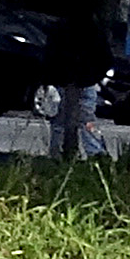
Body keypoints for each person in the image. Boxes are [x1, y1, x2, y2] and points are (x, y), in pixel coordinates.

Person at [42, 10, 109, 159]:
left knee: (69, 119)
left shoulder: (62, 29)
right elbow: (104, 57)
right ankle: (90, 151)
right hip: (76, 81)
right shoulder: (92, 29)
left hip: (73, 80)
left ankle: (60, 152)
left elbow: (49, 55)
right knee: (82, 118)